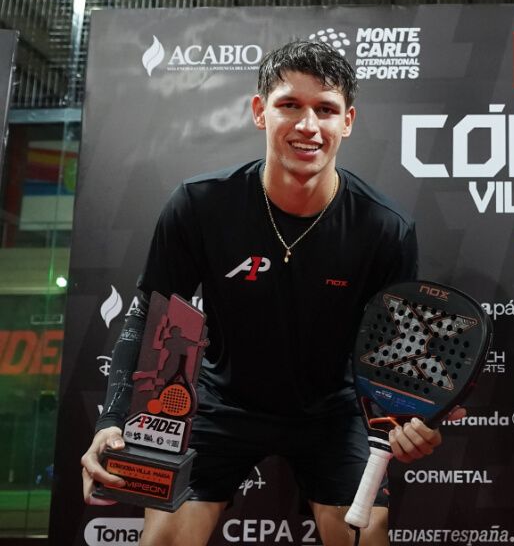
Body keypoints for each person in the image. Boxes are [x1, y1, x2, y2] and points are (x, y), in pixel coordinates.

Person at [81, 40, 451, 546]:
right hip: (220, 402)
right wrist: (112, 419)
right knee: (163, 540)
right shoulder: (199, 204)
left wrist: (409, 421)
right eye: (289, 105)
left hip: (333, 410)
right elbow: (149, 315)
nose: (308, 125)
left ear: (348, 122)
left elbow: (393, 354)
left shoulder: (386, 228)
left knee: (367, 537)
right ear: (260, 111)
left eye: (325, 109)